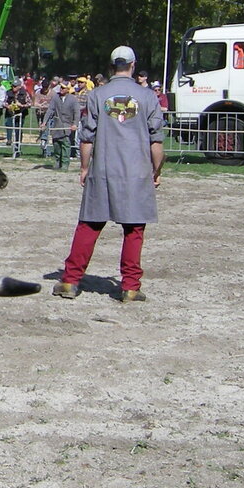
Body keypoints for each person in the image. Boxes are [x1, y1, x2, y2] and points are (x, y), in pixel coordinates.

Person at [53, 46, 164, 303]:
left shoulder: (96, 95)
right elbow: (156, 141)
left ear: (111, 66)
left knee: (89, 225)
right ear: (133, 65)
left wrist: (83, 167)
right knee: (134, 229)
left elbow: (86, 138)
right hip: (136, 173)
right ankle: (130, 286)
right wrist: (156, 170)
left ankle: (70, 281)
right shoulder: (148, 97)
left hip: (103, 170)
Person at [43, 78, 80, 169]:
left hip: (67, 125)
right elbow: (50, 110)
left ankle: (65, 164)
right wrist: (44, 122)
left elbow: (77, 112)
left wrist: (75, 124)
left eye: (63, 88)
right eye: (61, 88)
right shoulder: (55, 97)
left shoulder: (73, 99)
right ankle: (57, 162)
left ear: (68, 89)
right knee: (56, 144)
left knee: (66, 144)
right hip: (57, 125)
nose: (61, 90)